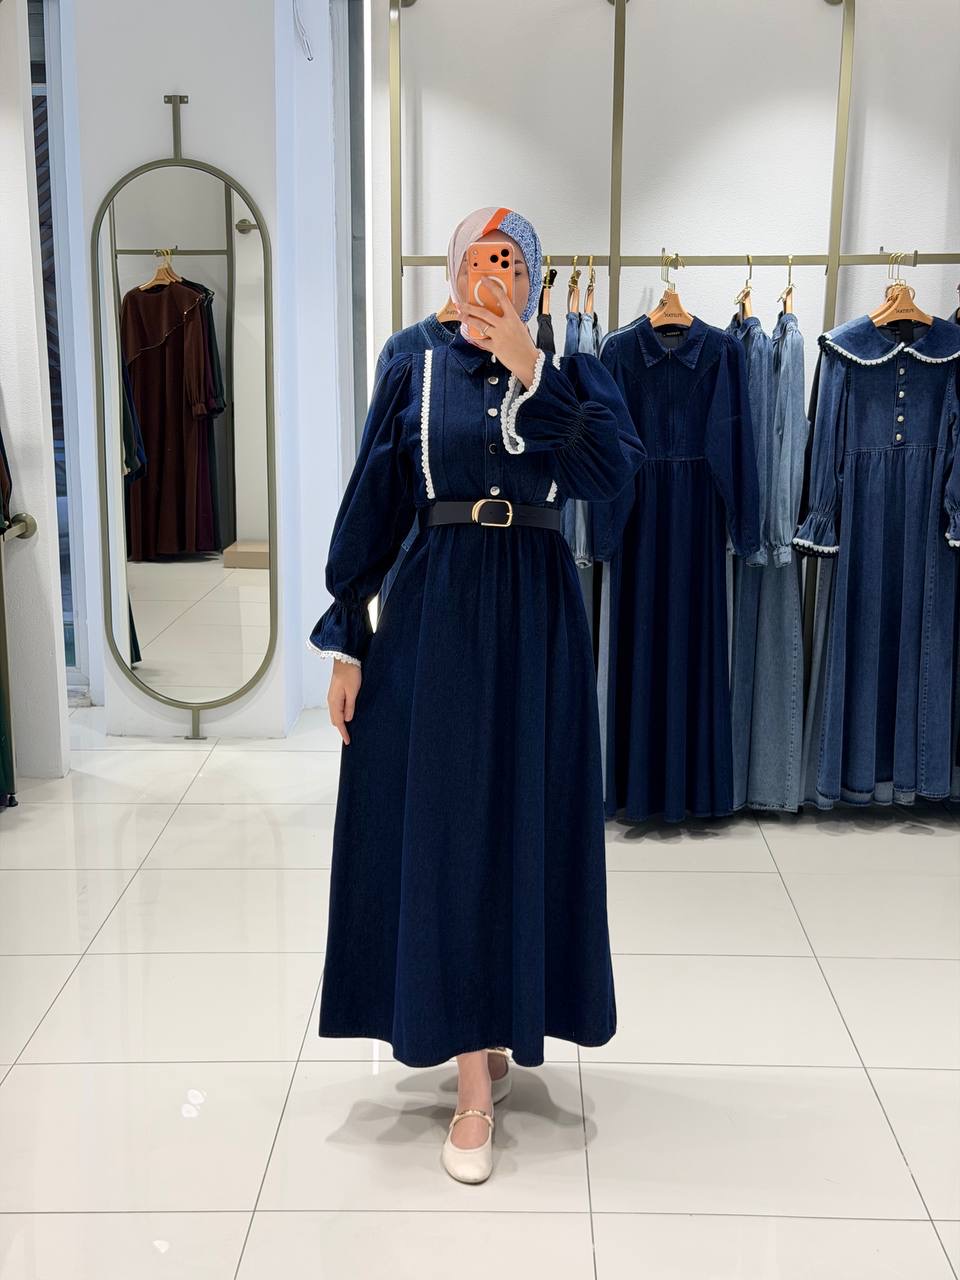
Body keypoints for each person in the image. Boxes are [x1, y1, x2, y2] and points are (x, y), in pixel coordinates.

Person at [308, 205, 644, 1183]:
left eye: (514, 263)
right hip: (436, 609)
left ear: (535, 276)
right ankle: (468, 1081)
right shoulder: (412, 362)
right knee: (448, 827)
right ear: (455, 269)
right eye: (480, 259)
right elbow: (376, 498)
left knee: (520, 821)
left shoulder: (572, 368)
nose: (495, 275)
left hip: (538, 614)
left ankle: (495, 1022)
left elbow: (613, 476)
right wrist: (349, 642)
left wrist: (533, 369)